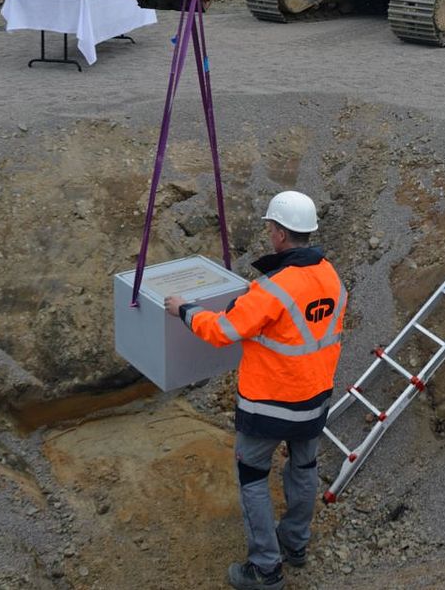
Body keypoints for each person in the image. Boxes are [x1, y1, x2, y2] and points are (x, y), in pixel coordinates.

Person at [164, 191, 346, 590]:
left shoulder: (273, 290)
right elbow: (299, 318)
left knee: (252, 477)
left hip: (269, 406)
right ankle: (294, 545)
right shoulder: (329, 275)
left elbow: (222, 331)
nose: (268, 233)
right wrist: (256, 293)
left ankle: (265, 568)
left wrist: (185, 310)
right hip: (314, 400)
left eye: (269, 228)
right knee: (304, 469)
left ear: (280, 233)